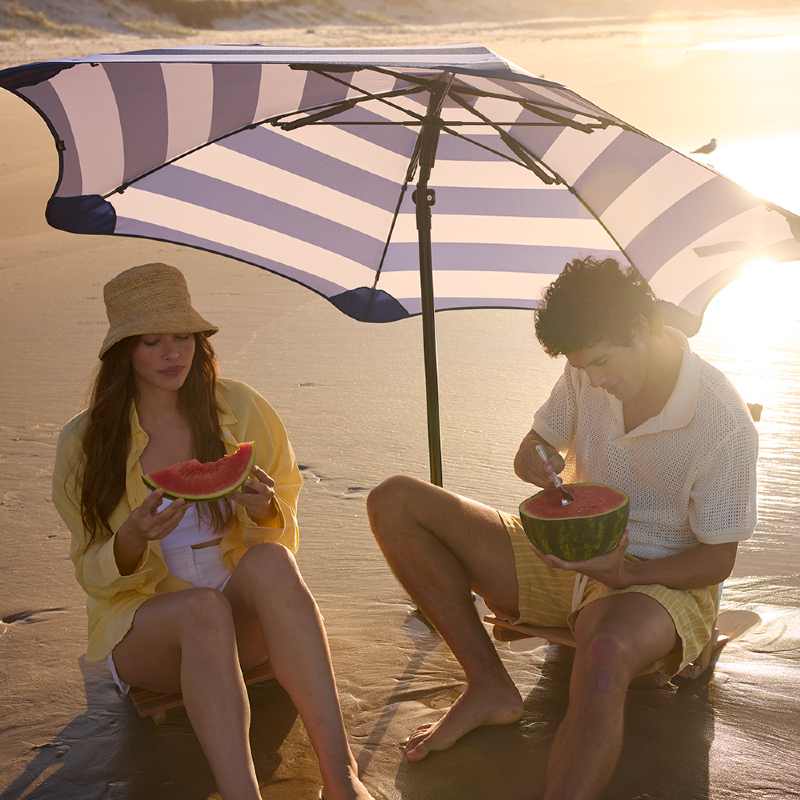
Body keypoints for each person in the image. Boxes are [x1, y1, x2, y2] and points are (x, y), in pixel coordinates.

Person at [367, 257, 758, 800]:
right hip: (559, 557)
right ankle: (489, 686)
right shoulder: (583, 369)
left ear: (641, 329)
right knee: (396, 500)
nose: (595, 380)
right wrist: (534, 456)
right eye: (583, 367)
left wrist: (623, 573)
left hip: (656, 584)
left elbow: (718, 560)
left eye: (602, 363)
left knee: (604, 656)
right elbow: (537, 444)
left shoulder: (721, 420)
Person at [52, 262, 374, 800]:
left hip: (243, 625)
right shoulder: (84, 443)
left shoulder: (241, 409)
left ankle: (343, 780)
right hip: (147, 638)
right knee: (203, 610)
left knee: (272, 563)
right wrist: (132, 535)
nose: (172, 353)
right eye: (152, 341)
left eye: (183, 337)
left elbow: (281, 522)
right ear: (123, 352)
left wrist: (266, 506)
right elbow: (91, 571)